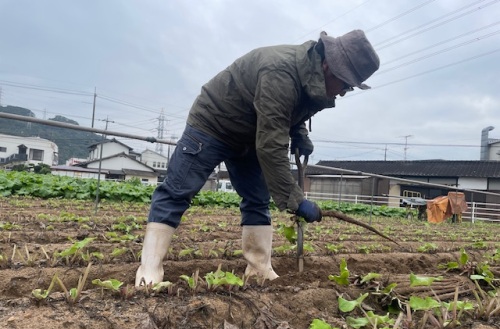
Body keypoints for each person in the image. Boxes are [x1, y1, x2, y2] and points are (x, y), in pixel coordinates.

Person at [135, 29, 380, 286]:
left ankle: (259, 271)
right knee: (177, 190)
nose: (343, 92)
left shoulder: (313, 76)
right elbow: (271, 146)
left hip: (252, 132)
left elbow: (286, 112)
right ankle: (149, 272)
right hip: (213, 124)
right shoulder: (280, 72)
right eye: (345, 84)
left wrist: (299, 133)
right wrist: (295, 199)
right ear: (330, 66)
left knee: (257, 199)